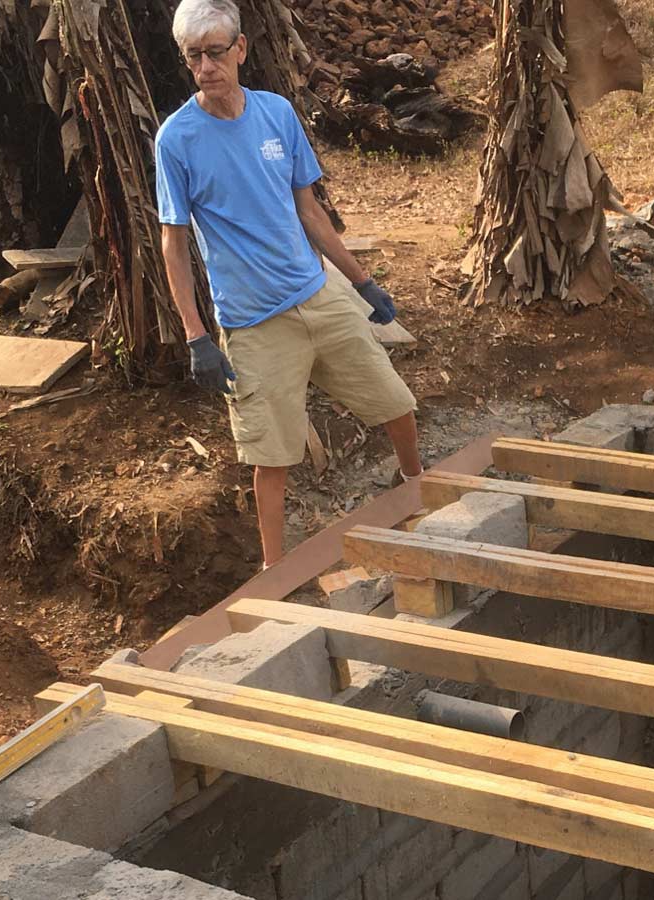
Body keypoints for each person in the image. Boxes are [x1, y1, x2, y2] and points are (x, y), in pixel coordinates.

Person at [155, 0, 423, 569]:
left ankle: (417, 489)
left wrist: (362, 281)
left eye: (215, 52)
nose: (206, 66)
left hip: (317, 295)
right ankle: (274, 571)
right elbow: (173, 245)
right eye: (194, 56)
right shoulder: (176, 140)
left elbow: (310, 211)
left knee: (395, 403)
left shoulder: (276, 115)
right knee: (270, 457)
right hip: (253, 323)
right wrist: (196, 336)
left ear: (241, 50)